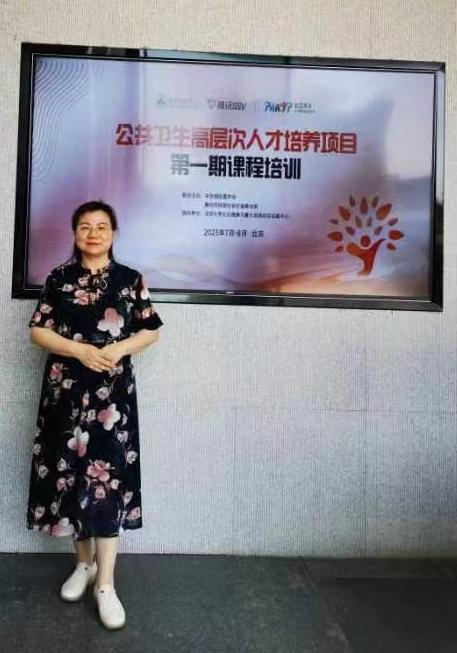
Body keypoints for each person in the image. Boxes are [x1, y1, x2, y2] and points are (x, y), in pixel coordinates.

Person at [27, 200, 163, 629]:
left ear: (113, 233)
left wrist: (118, 348)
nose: (93, 233)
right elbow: (38, 330)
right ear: (74, 233)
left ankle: (106, 583)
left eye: (101, 226)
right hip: (65, 392)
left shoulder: (129, 280)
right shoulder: (58, 279)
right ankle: (83, 565)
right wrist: (79, 350)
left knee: (106, 481)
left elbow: (152, 329)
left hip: (111, 398)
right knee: (70, 475)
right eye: (85, 226)